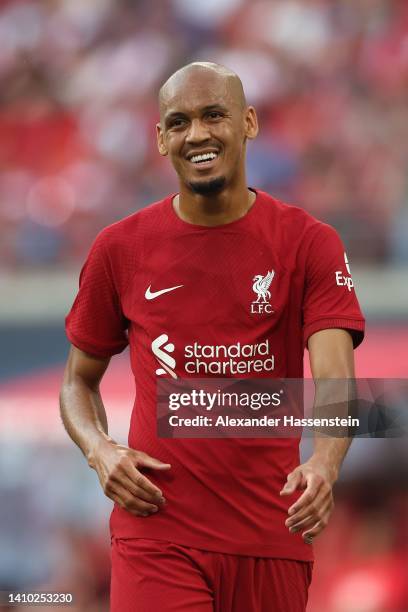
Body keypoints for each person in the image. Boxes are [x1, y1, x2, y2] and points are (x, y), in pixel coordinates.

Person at [60, 62, 365, 612]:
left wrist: (325, 463)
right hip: (156, 532)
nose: (196, 134)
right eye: (178, 122)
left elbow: (336, 376)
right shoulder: (119, 248)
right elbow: (78, 382)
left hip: (272, 530)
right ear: (160, 139)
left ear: (248, 122)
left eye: (213, 116)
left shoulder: (308, 243)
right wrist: (100, 450)